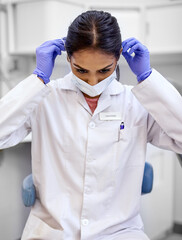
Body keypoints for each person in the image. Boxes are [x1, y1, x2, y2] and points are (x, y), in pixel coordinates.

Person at [0, 10, 182, 240]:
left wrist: (148, 78)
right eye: (81, 70)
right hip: (53, 232)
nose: (93, 82)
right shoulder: (45, 97)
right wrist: (37, 80)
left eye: (104, 70)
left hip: (119, 232)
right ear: (68, 59)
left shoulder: (136, 101)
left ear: (118, 57)